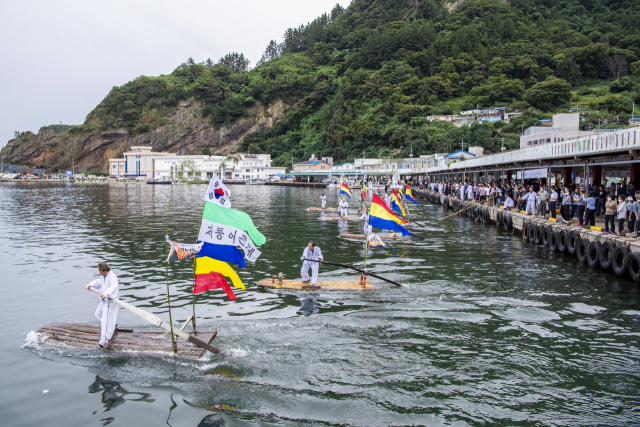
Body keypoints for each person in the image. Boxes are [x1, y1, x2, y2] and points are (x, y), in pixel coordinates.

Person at [86, 262, 119, 349]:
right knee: (98, 314)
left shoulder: (112, 277)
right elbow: (98, 282)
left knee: (105, 321)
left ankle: (103, 341)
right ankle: (112, 326)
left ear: (104, 270)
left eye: (100, 271)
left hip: (110, 302)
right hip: (104, 301)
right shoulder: (103, 277)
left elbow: (114, 286)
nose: (100, 273)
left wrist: (107, 293)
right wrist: (91, 285)